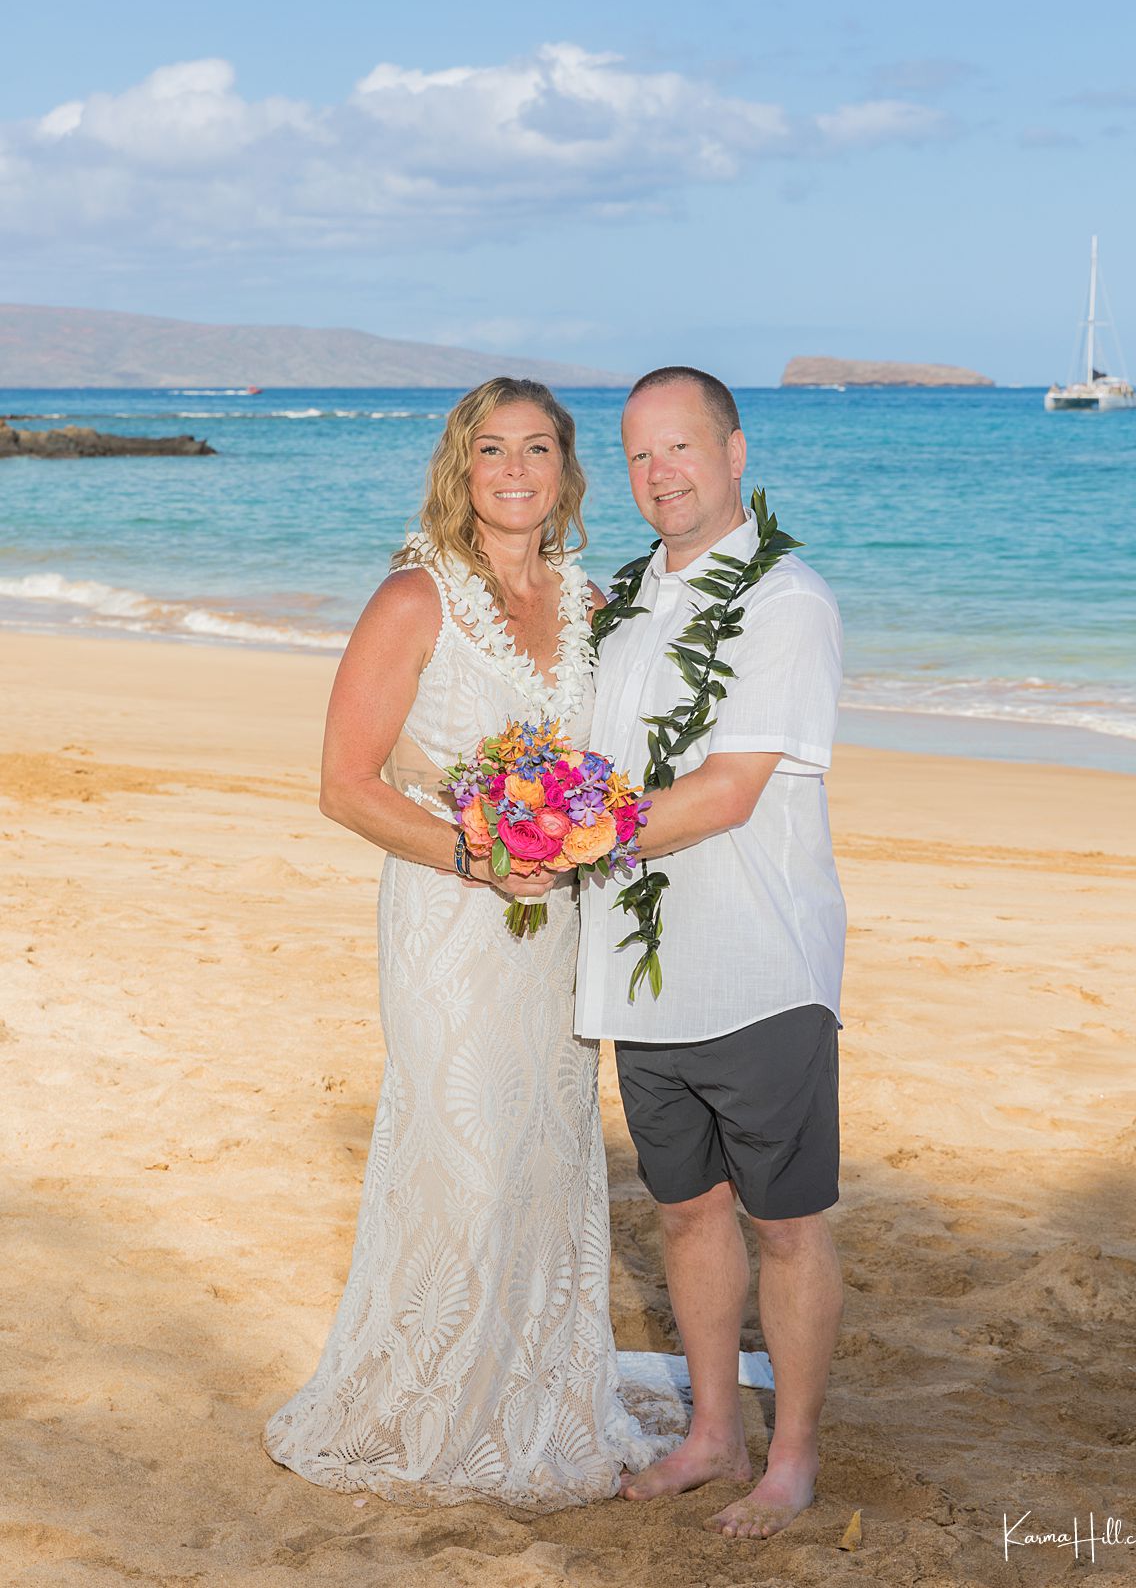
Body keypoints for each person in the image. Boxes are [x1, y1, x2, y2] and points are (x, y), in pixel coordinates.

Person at [262, 377, 669, 1510]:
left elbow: (605, 769)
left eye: (539, 449)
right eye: (493, 449)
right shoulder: (415, 597)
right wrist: (478, 856)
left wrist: (582, 831)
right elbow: (344, 784)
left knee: (544, 1150)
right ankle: (438, 1400)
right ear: (461, 465)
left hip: (556, 933)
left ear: (567, 473)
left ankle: (533, 1385)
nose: (517, 470)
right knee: (468, 1150)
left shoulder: (589, 601)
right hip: (449, 918)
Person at [575, 365, 846, 1540]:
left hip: (758, 969)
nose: (660, 473)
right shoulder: (628, 597)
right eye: (638, 456)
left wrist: (570, 838)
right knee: (686, 1213)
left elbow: (730, 789)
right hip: (641, 973)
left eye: (681, 447)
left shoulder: (785, 600)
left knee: (784, 1223)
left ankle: (790, 1456)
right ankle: (712, 1435)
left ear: (736, 453)